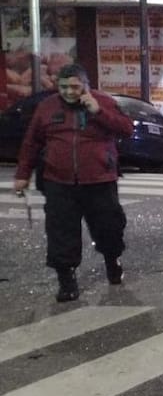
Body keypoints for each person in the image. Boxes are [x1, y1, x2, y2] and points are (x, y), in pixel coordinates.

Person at [12, 63, 133, 302]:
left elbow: (126, 129)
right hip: (58, 181)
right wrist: (22, 174)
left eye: (75, 87)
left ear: (86, 87)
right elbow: (31, 143)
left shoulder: (104, 102)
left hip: (99, 180)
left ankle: (112, 261)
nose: (69, 92)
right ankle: (66, 280)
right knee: (61, 232)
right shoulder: (47, 107)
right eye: (64, 87)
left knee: (109, 227)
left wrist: (98, 112)